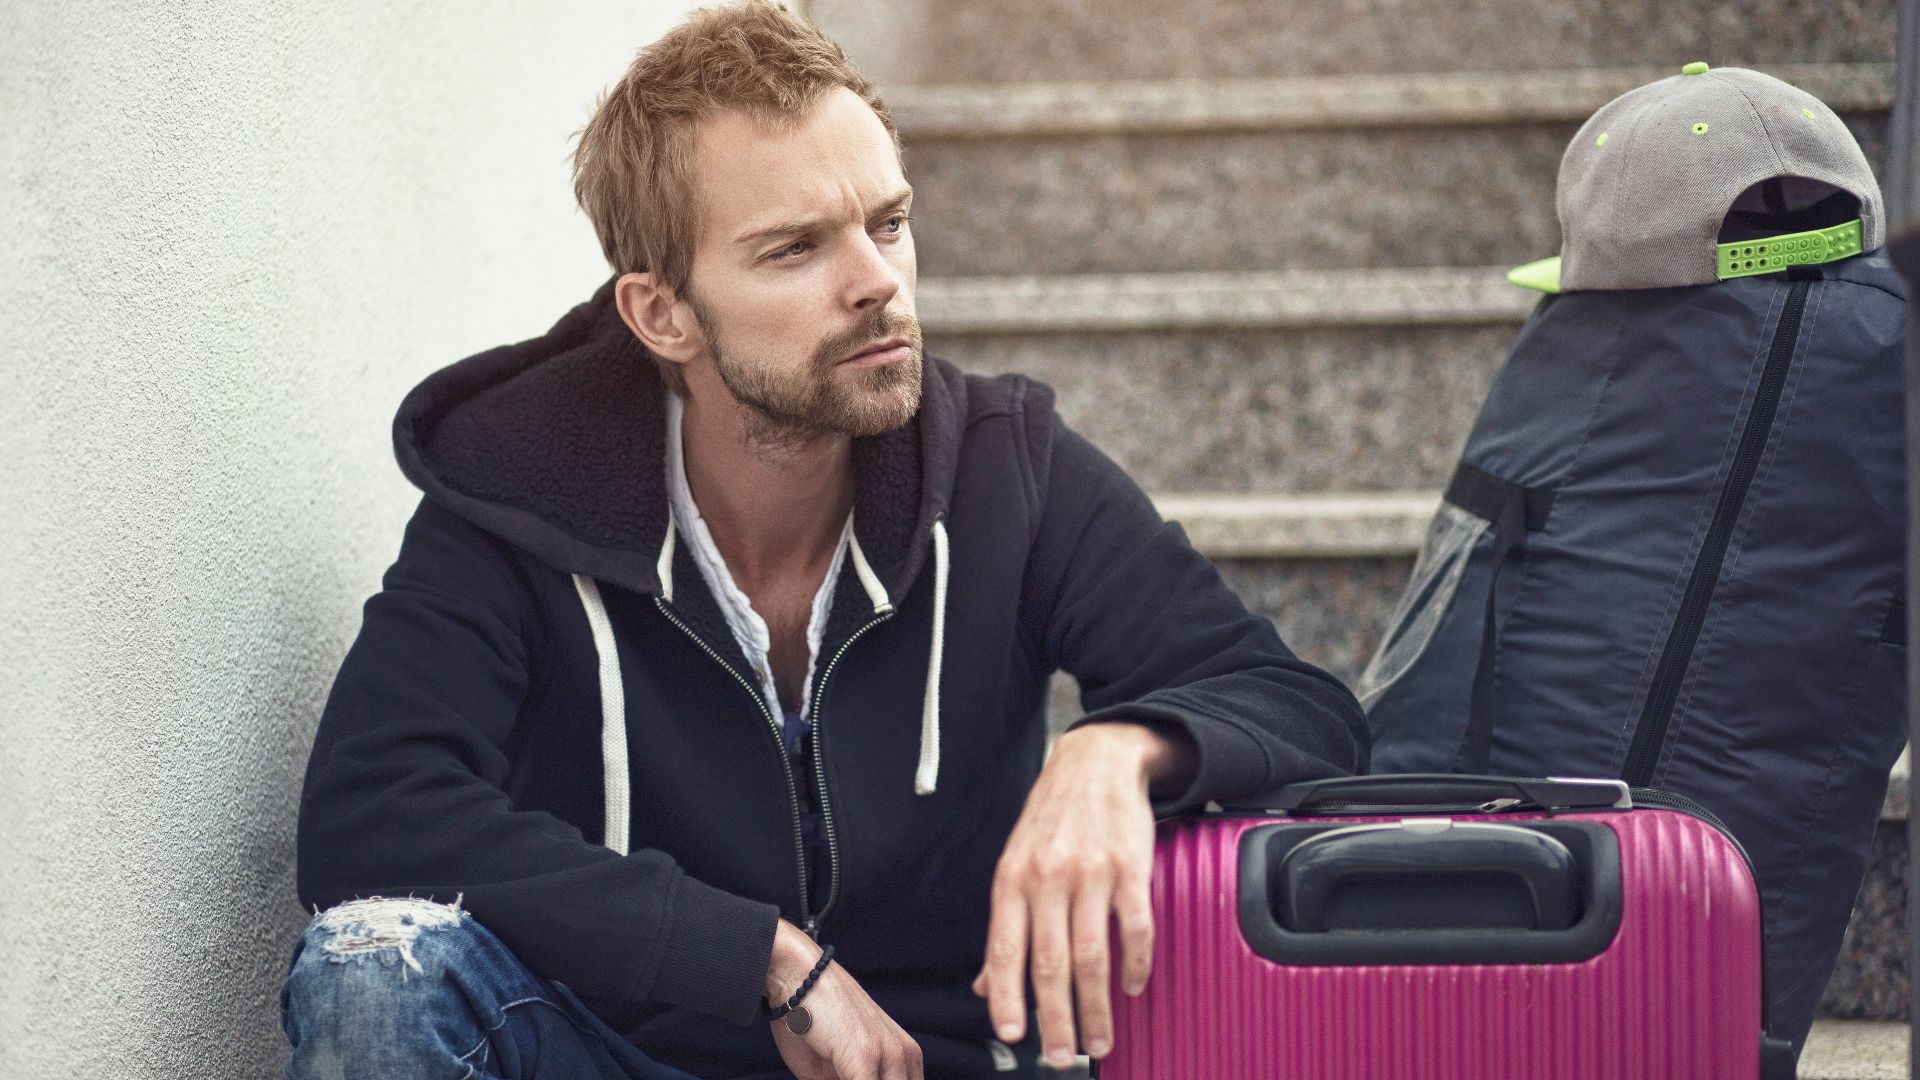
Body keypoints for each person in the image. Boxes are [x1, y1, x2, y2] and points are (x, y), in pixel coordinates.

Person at [280, 3, 1367, 1077]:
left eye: (887, 222)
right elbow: (373, 812)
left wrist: (1119, 749)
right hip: (625, 1054)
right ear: (663, 314)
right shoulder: (517, 495)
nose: (877, 282)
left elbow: (1298, 706)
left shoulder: (1003, 470)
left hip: (929, 1062)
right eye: (795, 248)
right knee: (371, 967)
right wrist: (757, 956)